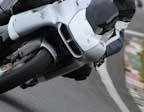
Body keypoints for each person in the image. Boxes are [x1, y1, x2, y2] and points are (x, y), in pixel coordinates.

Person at [0, 0, 135, 80]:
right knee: (35, 2)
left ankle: (33, 74)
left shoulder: (128, 8)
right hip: (62, 9)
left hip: (81, 33)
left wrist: (103, 53)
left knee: (84, 71)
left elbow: (118, 35)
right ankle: (7, 16)